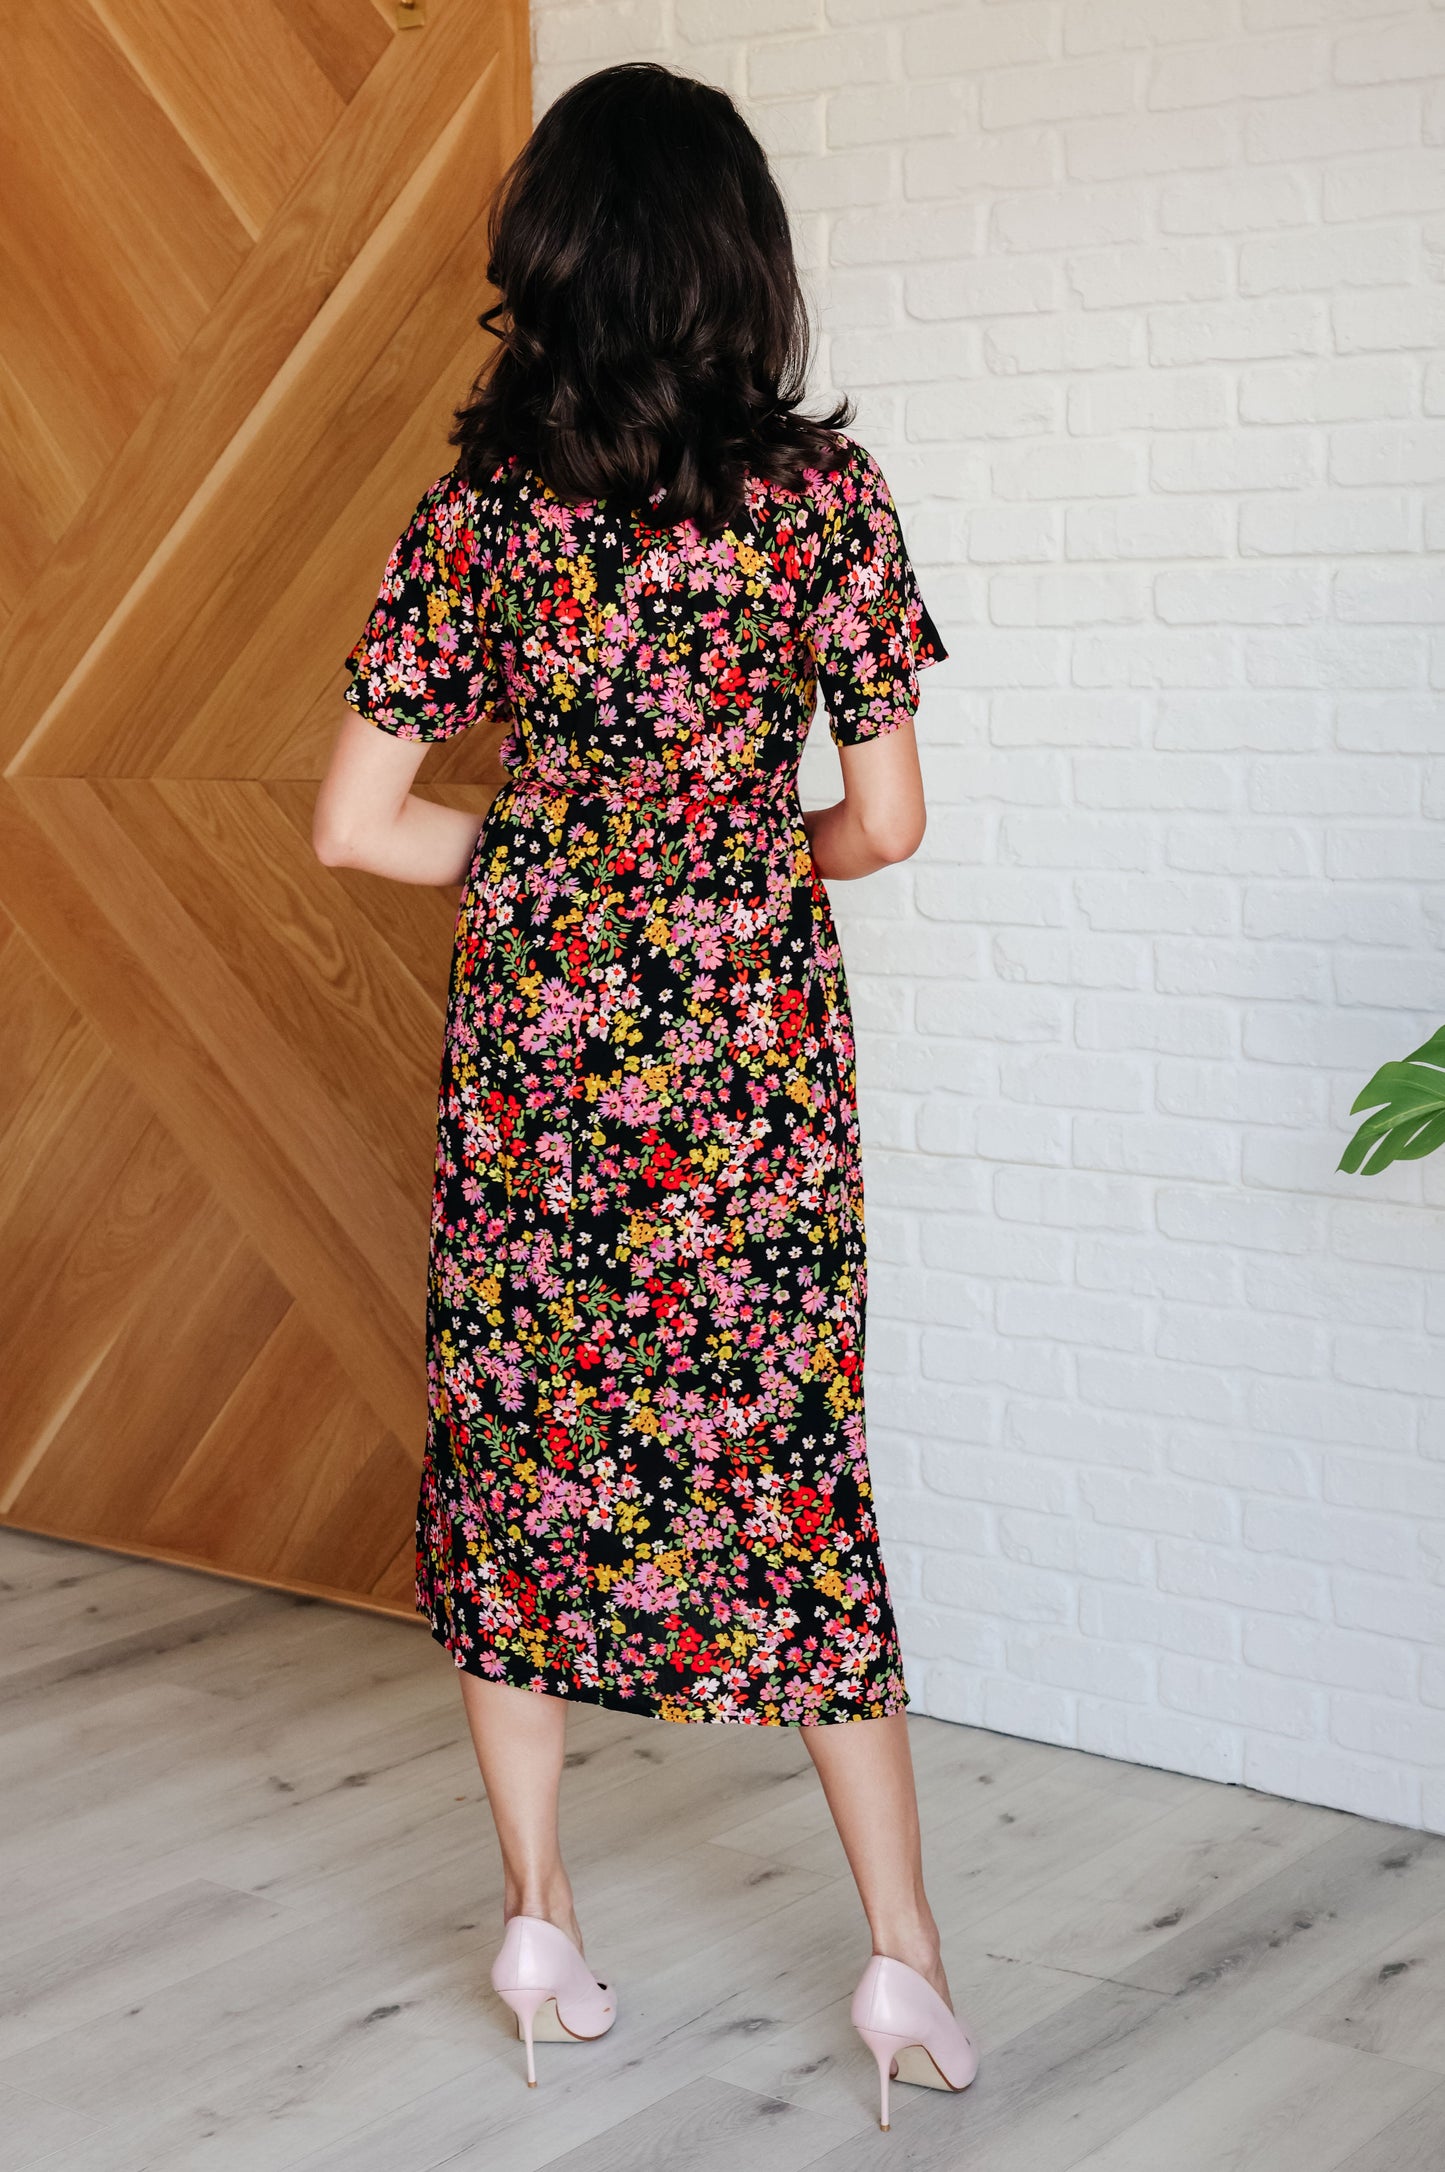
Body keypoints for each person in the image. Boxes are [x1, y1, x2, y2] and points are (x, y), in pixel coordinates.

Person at [312, 59, 976, 2132]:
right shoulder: (823, 505)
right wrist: (729, 864)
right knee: (790, 1482)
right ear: (737, 261)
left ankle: (535, 1923)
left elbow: (356, 827)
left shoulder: (478, 511)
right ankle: (906, 1971)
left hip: (536, 1072)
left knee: (520, 1475)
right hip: (748, 1077)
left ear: (556, 260)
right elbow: (888, 824)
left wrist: (557, 866)